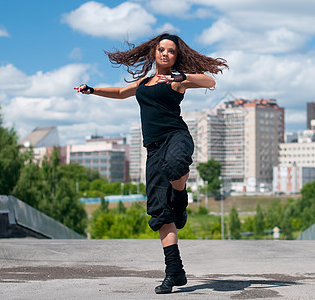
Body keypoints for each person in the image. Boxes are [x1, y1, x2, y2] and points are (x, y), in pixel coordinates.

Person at [75, 33, 228, 294]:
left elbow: (209, 80)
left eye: (171, 51)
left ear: (176, 57)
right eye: (161, 49)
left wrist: (183, 77)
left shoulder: (176, 80)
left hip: (176, 137)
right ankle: (174, 271)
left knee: (175, 166)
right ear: (154, 53)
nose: (165, 54)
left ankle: (180, 195)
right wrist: (93, 90)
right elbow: (122, 92)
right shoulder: (145, 82)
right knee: (160, 212)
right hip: (153, 148)